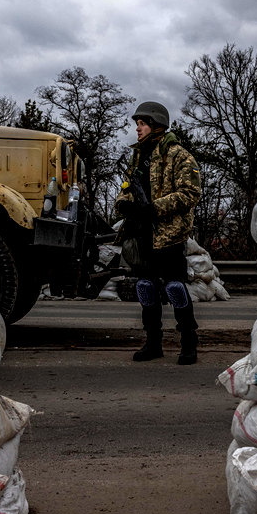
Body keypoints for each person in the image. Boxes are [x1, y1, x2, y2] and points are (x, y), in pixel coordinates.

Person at [115, 101, 202, 364]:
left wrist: (154, 208)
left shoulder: (179, 155)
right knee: (146, 288)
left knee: (175, 288)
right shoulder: (137, 155)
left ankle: (189, 343)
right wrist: (123, 203)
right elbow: (127, 186)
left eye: (142, 124)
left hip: (169, 233)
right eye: (137, 125)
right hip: (142, 233)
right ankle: (153, 343)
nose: (138, 129)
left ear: (156, 125)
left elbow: (190, 193)